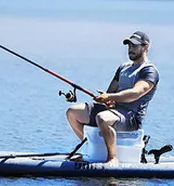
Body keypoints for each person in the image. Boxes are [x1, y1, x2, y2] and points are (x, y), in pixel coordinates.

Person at [66, 31, 160, 165]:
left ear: (146, 47)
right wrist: (106, 99)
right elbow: (111, 91)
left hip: (131, 117)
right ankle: (90, 150)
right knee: (72, 112)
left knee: (103, 118)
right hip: (114, 111)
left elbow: (135, 93)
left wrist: (110, 97)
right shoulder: (123, 67)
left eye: (135, 46)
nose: (131, 49)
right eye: (129, 46)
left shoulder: (149, 71)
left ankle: (112, 158)